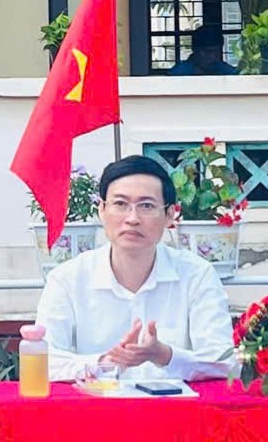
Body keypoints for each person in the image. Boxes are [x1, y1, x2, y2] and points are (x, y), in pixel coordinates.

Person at [34, 154, 234, 382]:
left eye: (146, 206)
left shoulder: (197, 275)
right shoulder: (67, 278)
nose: (132, 218)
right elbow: (42, 361)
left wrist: (165, 356)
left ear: (170, 215)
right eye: (120, 204)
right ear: (102, 210)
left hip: (174, 404)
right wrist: (106, 363)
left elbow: (224, 361)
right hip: (97, 403)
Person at [168, 26, 239, 77]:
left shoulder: (226, 71)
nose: (213, 56)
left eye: (216, 52)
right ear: (195, 50)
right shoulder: (178, 74)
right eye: (208, 52)